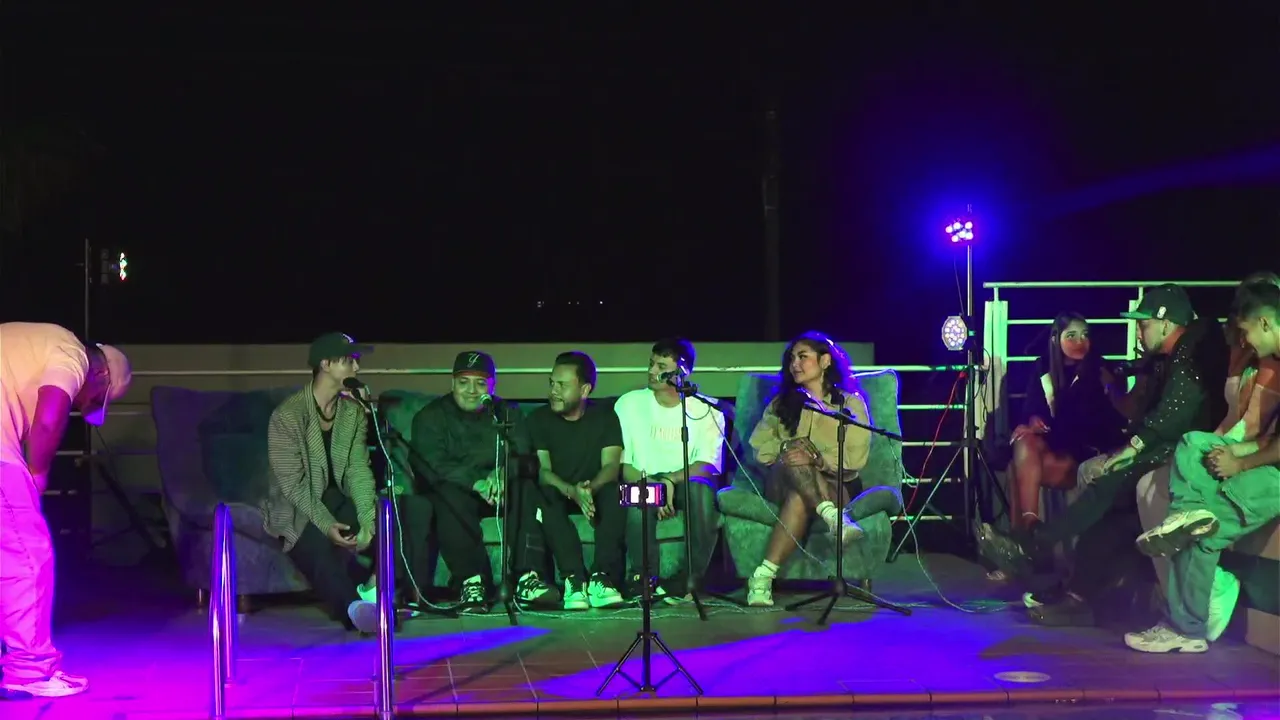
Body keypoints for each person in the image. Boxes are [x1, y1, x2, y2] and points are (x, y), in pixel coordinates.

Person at [978, 284, 1228, 622]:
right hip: (1152, 448)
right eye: (1071, 335)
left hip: (1169, 453)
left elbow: (1170, 413)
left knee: (1108, 485)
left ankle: (1034, 548)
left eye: (1143, 324)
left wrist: (1131, 446)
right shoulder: (1159, 362)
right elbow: (1145, 411)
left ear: (1166, 324)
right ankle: (1067, 588)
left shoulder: (1189, 354)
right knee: (1101, 513)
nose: (1137, 332)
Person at [1126, 280, 1280, 653]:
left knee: (1200, 533)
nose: (1244, 341)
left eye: (1245, 331)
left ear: (1264, 323)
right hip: (1267, 459)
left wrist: (1240, 462)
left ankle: (1186, 628)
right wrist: (1234, 450)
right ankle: (1186, 513)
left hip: (1274, 476)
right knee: (1193, 443)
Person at [263, 333, 431, 632]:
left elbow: (357, 469)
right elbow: (293, 485)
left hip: (338, 498)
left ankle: (375, 589)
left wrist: (367, 519)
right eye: (349, 361)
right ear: (325, 364)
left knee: (404, 511)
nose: (357, 368)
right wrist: (327, 524)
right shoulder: (287, 415)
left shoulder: (351, 412)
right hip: (296, 505)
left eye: (357, 361)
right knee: (310, 541)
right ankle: (353, 610)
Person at [0, 322, 132, 697]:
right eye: (93, 400)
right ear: (100, 374)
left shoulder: (24, 345)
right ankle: (29, 670)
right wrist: (38, 472)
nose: (82, 404)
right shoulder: (70, 349)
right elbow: (49, 415)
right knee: (27, 556)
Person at [743, 331, 900, 607]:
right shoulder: (780, 405)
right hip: (782, 479)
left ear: (825, 361)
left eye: (803, 357)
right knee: (794, 451)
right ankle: (834, 519)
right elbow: (758, 447)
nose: (795, 364)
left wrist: (818, 459)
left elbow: (856, 456)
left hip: (836, 483)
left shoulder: (849, 404)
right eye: (792, 358)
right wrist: (786, 448)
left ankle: (762, 577)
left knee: (799, 497)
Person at [409, 351, 553, 612]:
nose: (472, 391)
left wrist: (503, 473)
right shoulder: (431, 416)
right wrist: (476, 482)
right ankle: (472, 582)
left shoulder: (507, 412)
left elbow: (525, 456)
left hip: (500, 489)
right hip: (460, 489)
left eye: (480, 383)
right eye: (464, 382)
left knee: (526, 487)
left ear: (492, 386)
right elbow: (430, 464)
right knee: (445, 494)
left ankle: (526, 578)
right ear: (453, 383)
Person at [615, 337, 724, 603]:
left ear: (683, 371)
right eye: (651, 364)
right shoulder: (629, 404)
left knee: (701, 491)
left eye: (661, 366)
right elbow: (624, 466)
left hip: (685, 483)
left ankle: (690, 581)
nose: (652, 371)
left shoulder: (706, 409)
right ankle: (643, 580)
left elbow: (707, 466)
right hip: (643, 480)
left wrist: (670, 480)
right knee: (638, 498)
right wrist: (656, 484)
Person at [1007, 313, 1128, 532]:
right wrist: (1033, 421)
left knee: (1017, 468)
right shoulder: (1043, 367)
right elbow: (1031, 407)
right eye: (1071, 336)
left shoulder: (1099, 371)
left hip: (1084, 455)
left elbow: (1089, 425)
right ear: (1055, 339)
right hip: (1055, 447)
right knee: (1023, 442)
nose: (1080, 342)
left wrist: (1044, 428)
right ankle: (1030, 526)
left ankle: (1023, 538)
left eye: (1085, 335)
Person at [527, 351, 627, 609]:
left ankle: (601, 578)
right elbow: (544, 471)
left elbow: (611, 466)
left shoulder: (605, 417)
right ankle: (574, 579)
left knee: (617, 491)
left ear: (584, 390)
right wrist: (572, 491)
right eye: (552, 383)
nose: (553, 391)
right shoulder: (538, 419)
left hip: (595, 491)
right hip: (559, 490)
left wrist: (589, 490)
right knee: (543, 494)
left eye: (562, 385)